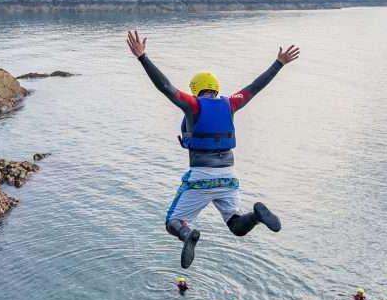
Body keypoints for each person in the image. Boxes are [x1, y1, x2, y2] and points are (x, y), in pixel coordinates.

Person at [126, 30, 299, 268]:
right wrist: (278, 63)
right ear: (216, 88)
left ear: (196, 88)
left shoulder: (193, 105)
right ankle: (256, 216)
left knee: (173, 221)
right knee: (237, 225)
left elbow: (165, 87)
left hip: (201, 177)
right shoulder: (231, 104)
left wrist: (142, 57)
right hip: (229, 177)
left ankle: (188, 234)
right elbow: (254, 87)